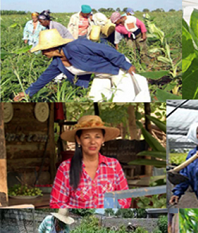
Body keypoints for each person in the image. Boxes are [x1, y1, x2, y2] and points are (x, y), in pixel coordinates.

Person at [13, 29, 150, 103]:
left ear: (51, 48)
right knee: (95, 99)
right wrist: (26, 93)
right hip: (101, 74)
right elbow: (43, 79)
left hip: (117, 67)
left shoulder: (77, 46)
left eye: (43, 50)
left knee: (125, 99)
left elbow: (105, 50)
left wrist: (126, 64)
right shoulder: (57, 62)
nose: (42, 53)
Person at [50, 115, 131, 208]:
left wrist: (112, 211)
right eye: (87, 137)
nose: (93, 142)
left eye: (97, 137)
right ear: (78, 139)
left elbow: (125, 198)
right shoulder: (65, 168)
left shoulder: (113, 165)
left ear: (103, 139)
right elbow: (56, 203)